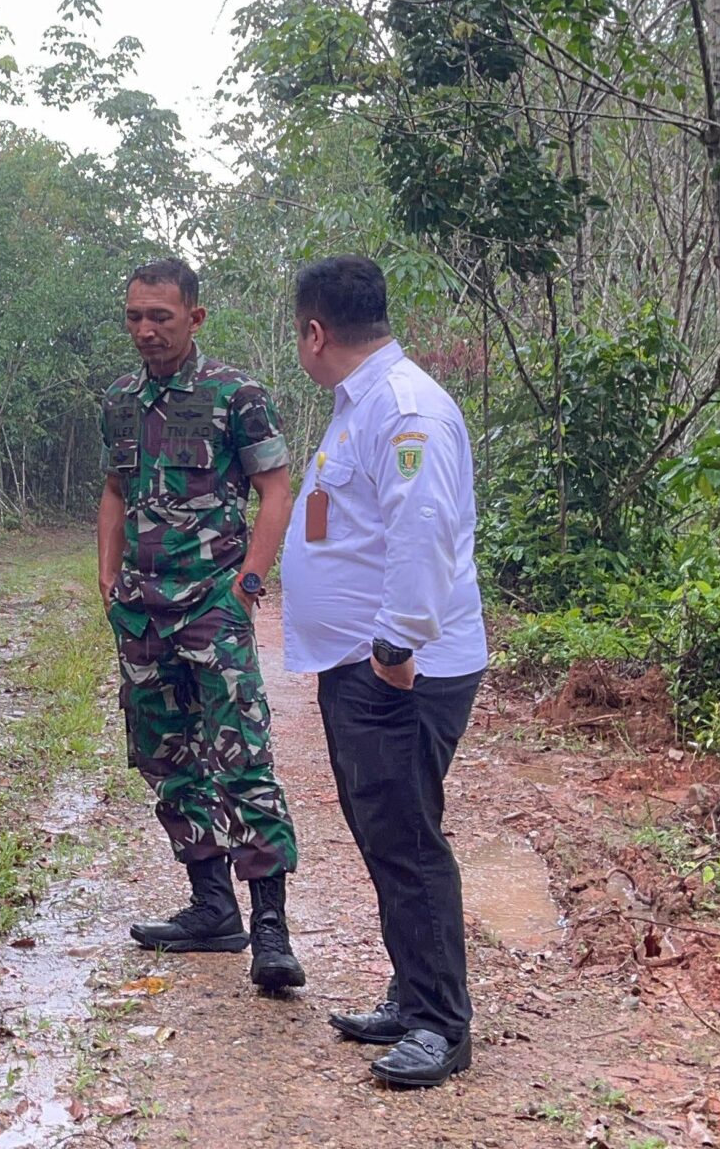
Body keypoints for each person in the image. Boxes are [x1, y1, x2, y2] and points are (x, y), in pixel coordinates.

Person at [279, 255, 490, 1089]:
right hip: (365, 664)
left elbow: (422, 530)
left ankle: (442, 1024)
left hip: (400, 670)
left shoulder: (405, 409)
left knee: (406, 840)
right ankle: (413, 994)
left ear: (315, 331)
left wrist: (395, 650)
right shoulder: (361, 406)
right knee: (386, 834)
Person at [98, 258, 304, 991]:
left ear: (195, 317)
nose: (147, 330)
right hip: (142, 610)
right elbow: (116, 490)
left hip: (212, 605)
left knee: (241, 756)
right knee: (167, 758)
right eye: (134, 317)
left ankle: (270, 931)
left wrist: (248, 583)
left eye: (161, 316)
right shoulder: (121, 399)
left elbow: (277, 491)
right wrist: (107, 576)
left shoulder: (235, 395)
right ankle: (211, 906)